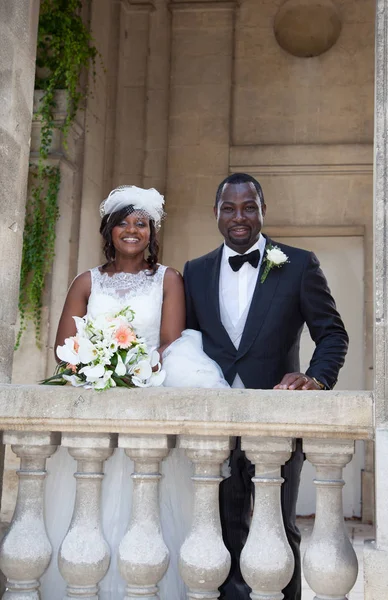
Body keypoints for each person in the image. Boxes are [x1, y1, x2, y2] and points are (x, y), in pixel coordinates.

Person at [40, 185, 228, 599]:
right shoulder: (86, 282)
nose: (131, 230)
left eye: (140, 223)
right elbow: (65, 351)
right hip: (96, 409)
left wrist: (129, 370)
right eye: (122, 222)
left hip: (146, 401)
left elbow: (170, 345)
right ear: (107, 231)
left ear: (151, 233)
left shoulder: (169, 279)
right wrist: (99, 366)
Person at [183, 172, 349, 600]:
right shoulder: (195, 272)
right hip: (214, 423)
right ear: (216, 213)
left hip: (278, 417)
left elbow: (332, 333)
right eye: (229, 208)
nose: (240, 217)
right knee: (220, 529)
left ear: (263, 211)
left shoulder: (298, 263)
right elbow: (186, 343)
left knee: (279, 528)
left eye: (249, 207)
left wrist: (315, 379)